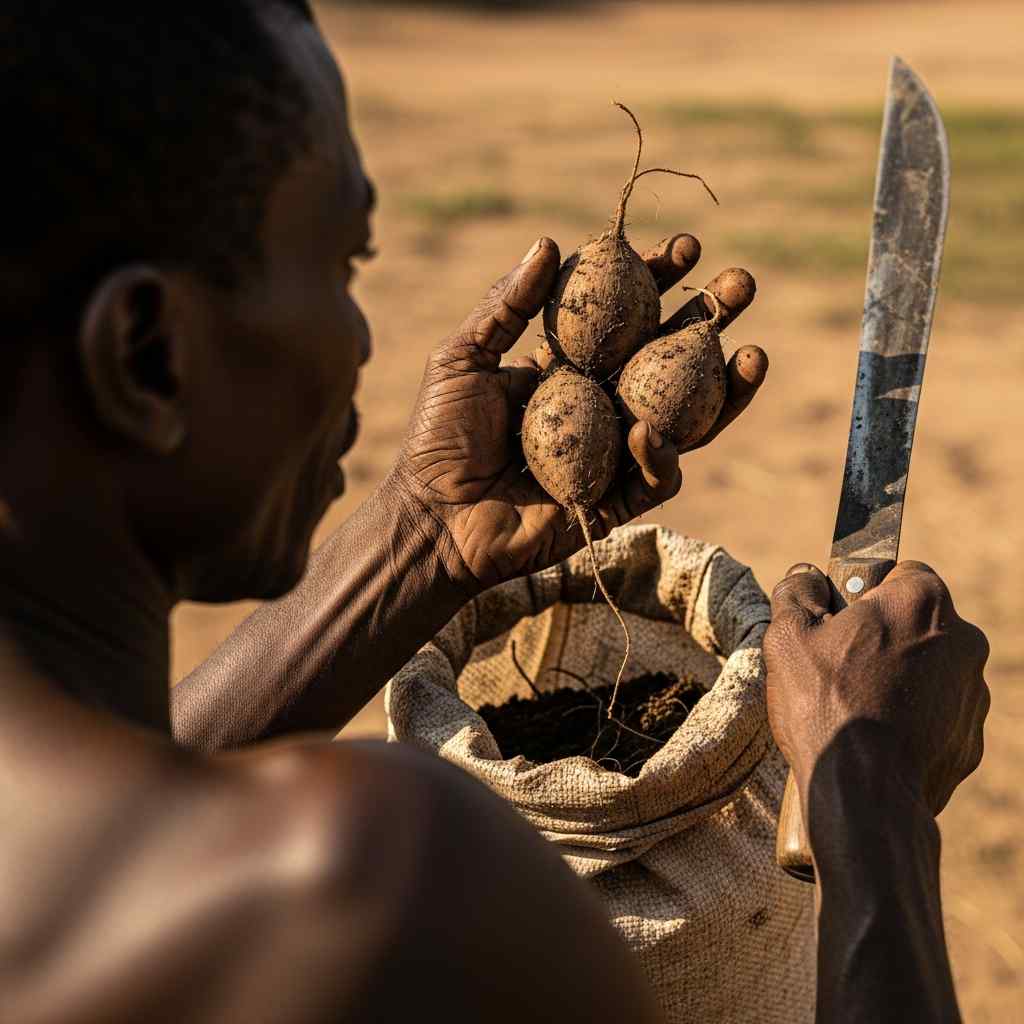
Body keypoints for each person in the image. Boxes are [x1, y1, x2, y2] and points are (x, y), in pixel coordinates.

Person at [0, 3, 988, 1022]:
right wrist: (870, 797)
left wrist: (421, 533)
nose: (366, 346)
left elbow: (141, 821)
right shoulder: (377, 877)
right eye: (344, 265)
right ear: (147, 353)